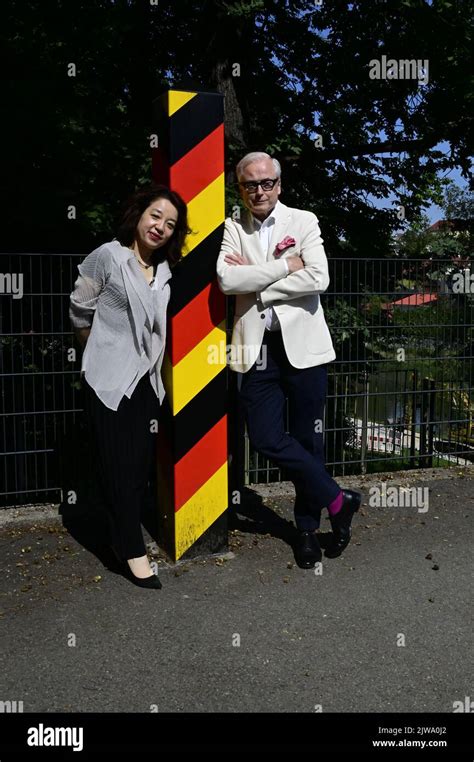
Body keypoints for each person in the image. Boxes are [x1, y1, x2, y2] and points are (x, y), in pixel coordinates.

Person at [216, 152, 361, 568]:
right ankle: (338, 499)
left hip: (305, 348)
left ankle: (306, 530)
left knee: (307, 440)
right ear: (239, 188)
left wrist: (258, 280)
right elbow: (227, 280)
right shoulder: (232, 226)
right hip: (256, 348)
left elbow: (319, 277)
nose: (258, 191)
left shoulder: (304, 220)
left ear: (279, 184)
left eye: (266, 183)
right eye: (249, 185)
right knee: (263, 437)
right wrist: (284, 266)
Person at [69, 184, 189, 588]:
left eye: (171, 224)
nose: (161, 226)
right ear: (138, 215)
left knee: (137, 467)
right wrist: (97, 356)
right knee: (116, 464)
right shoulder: (108, 256)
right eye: (155, 216)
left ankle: (123, 535)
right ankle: (132, 550)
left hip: (146, 383)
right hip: (107, 378)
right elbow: (80, 310)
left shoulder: (165, 272)